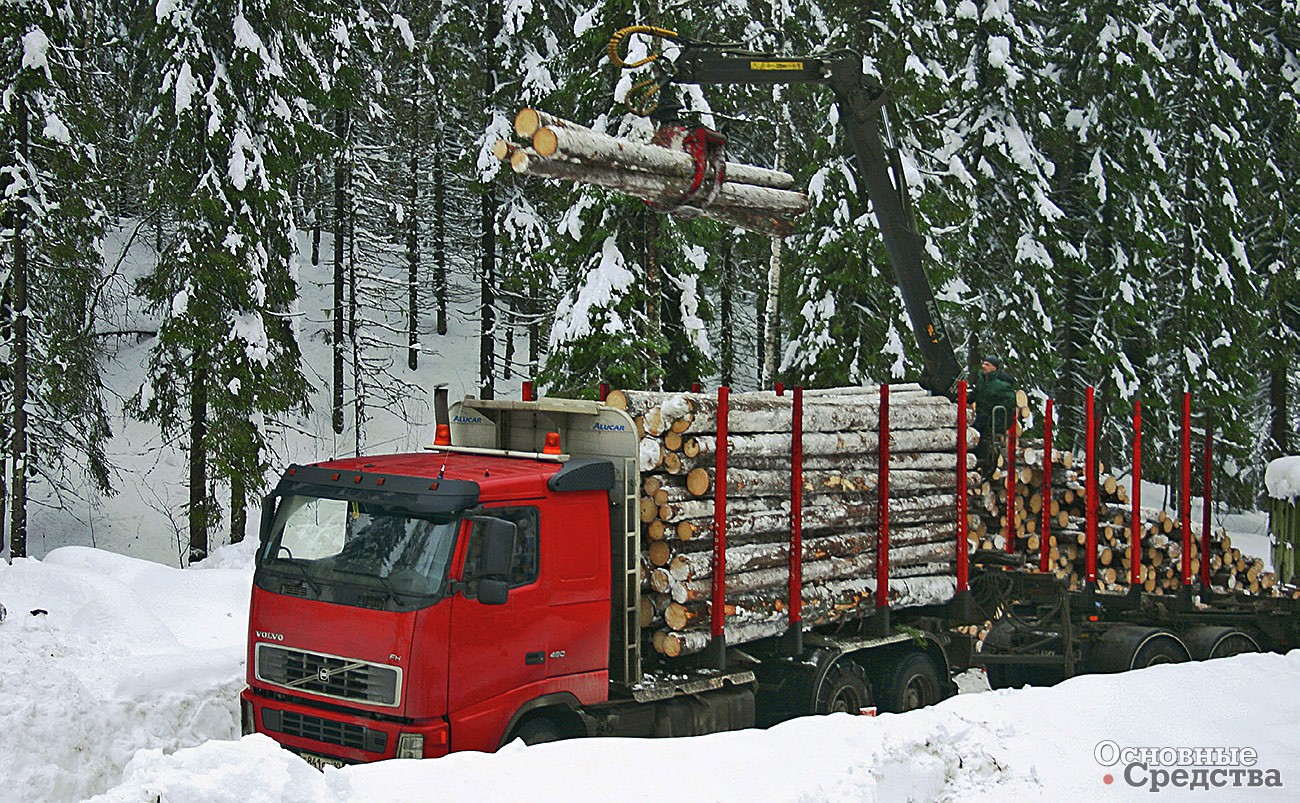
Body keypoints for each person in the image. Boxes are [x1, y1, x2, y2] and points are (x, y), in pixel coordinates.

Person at [972, 354, 1018, 470]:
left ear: (994, 368)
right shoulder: (982, 380)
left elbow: (1009, 404)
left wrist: (995, 420)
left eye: (987, 364)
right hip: (981, 415)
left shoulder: (1002, 384)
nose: (983, 366)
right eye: (983, 363)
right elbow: (974, 395)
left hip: (991, 419)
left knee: (974, 429)